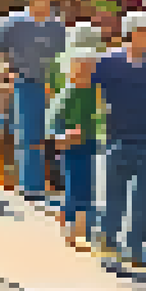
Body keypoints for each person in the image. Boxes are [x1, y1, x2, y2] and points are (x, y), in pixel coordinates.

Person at [90, 11, 146, 269]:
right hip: (116, 141)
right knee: (113, 199)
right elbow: (91, 94)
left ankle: (135, 249)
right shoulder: (107, 63)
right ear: (132, 32)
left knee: (145, 201)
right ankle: (109, 247)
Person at [0, 0, 66, 199]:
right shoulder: (12, 22)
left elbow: (65, 55)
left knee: (57, 133)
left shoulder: (57, 26)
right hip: (24, 83)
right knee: (29, 135)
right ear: (31, 0)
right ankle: (31, 186)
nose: (45, 3)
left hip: (54, 86)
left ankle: (59, 183)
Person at [48, 47, 102, 251]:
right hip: (71, 147)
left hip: (89, 144)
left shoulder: (94, 92)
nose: (85, 73)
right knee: (73, 186)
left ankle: (84, 230)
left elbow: (100, 117)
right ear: (71, 70)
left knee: (87, 187)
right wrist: (62, 135)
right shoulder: (67, 94)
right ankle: (70, 227)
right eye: (80, 69)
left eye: (89, 68)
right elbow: (52, 122)